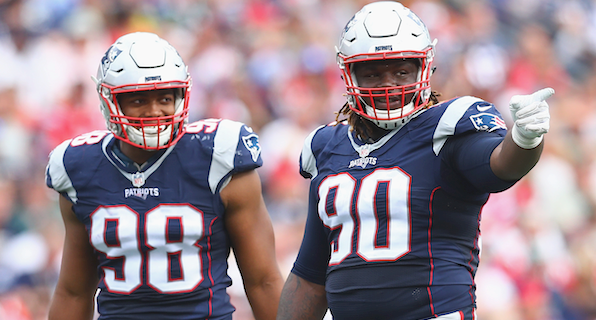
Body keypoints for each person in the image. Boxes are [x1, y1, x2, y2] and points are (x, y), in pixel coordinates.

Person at [276, 2, 553, 319]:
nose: (389, 83)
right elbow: (310, 275)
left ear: (425, 68)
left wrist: (525, 139)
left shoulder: (446, 129)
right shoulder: (327, 146)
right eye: (372, 73)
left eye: (401, 71)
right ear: (349, 75)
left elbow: (501, 164)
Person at [46, 32, 283, 320]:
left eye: (165, 97)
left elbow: (263, 281)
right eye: (138, 100)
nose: (154, 111)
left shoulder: (218, 156)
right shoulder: (79, 167)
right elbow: (74, 291)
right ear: (110, 101)